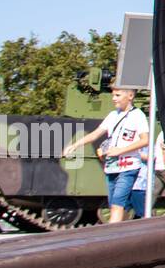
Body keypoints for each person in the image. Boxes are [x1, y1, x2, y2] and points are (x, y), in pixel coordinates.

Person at [62, 86, 149, 223]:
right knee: (114, 204)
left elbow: (145, 140)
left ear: (130, 96)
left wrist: (120, 150)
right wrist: (75, 145)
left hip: (128, 166)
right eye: (113, 95)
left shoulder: (138, 116)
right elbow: (96, 134)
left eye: (118, 95)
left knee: (117, 204)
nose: (114, 98)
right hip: (112, 166)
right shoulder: (113, 115)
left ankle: (111, 235)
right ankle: (120, 232)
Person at [130, 127, 165, 219]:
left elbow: (153, 155)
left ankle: (145, 215)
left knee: (153, 194)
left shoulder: (149, 141)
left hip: (145, 178)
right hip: (139, 179)